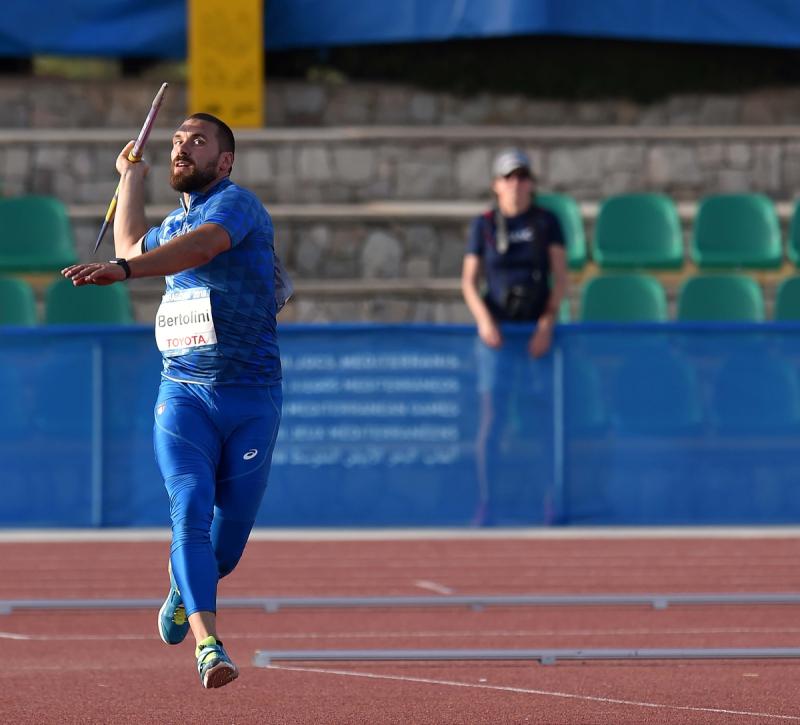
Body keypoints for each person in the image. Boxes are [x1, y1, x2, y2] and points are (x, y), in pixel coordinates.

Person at [62, 113, 288, 689]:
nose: (182, 147)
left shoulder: (236, 207)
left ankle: (183, 588)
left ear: (225, 160)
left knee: (228, 546)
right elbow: (134, 242)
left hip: (252, 398)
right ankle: (210, 646)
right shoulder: (173, 222)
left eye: (197, 140)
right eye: (177, 141)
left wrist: (126, 269)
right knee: (188, 503)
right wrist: (128, 177)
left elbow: (201, 248)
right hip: (184, 393)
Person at [461, 148, 567, 525]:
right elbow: (469, 282)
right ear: (497, 185)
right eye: (510, 178)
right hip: (499, 337)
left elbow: (560, 279)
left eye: (523, 177)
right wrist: (485, 322)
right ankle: (488, 501)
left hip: (536, 336)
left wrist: (546, 324)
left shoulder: (546, 222)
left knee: (543, 420)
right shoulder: (485, 224)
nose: (517, 185)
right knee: (493, 420)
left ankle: (549, 500)